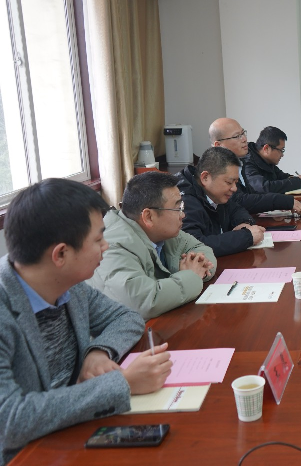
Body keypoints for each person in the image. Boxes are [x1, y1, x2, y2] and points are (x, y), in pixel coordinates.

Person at [0, 179, 172, 464]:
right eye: (98, 239)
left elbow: (126, 317)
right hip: (28, 454)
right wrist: (123, 383)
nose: (106, 246)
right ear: (61, 254)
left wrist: (99, 351)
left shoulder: (69, 285)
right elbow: (10, 421)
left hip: (77, 430)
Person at [89, 172, 218, 320]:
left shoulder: (164, 232)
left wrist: (193, 270)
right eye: (177, 208)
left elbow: (203, 250)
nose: (183, 215)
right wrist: (191, 275)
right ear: (148, 216)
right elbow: (144, 302)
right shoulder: (111, 247)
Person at [177, 147, 266, 256]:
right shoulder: (184, 201)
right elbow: (194, 247)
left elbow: (236, 209)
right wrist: (246, 237)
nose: (234, 188)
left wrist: (244, 224)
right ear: (205, 178)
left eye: (236, 182)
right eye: (229, 182)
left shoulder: (215, 194)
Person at [209, 118, 301, 215]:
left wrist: (273, 209)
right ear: (218, 145)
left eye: (243, 133)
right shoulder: (216, 169)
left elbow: (249, 197)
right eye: (237, 136)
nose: (244, 139)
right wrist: (282, 201)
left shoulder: (239, 162)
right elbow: (239, 201)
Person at [243, 126, 301, 194]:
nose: (282, 155)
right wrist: (296, 183)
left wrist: (293, 178)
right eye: (281, 150)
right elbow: (263, 187)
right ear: (266, 148)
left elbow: (281, 176)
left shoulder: (266, 160)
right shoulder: (248, 162)